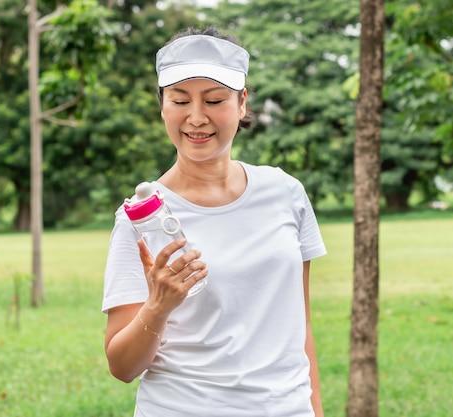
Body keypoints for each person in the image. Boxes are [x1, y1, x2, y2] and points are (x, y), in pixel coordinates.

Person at [102, 26, 327, 417]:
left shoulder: (286, 193)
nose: (196, 117)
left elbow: (299, 330)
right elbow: (121, 367)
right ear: (162, 106)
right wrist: (158, 306)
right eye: (179, 100)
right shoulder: (140, 219)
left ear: (241, 104)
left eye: (214, 99)